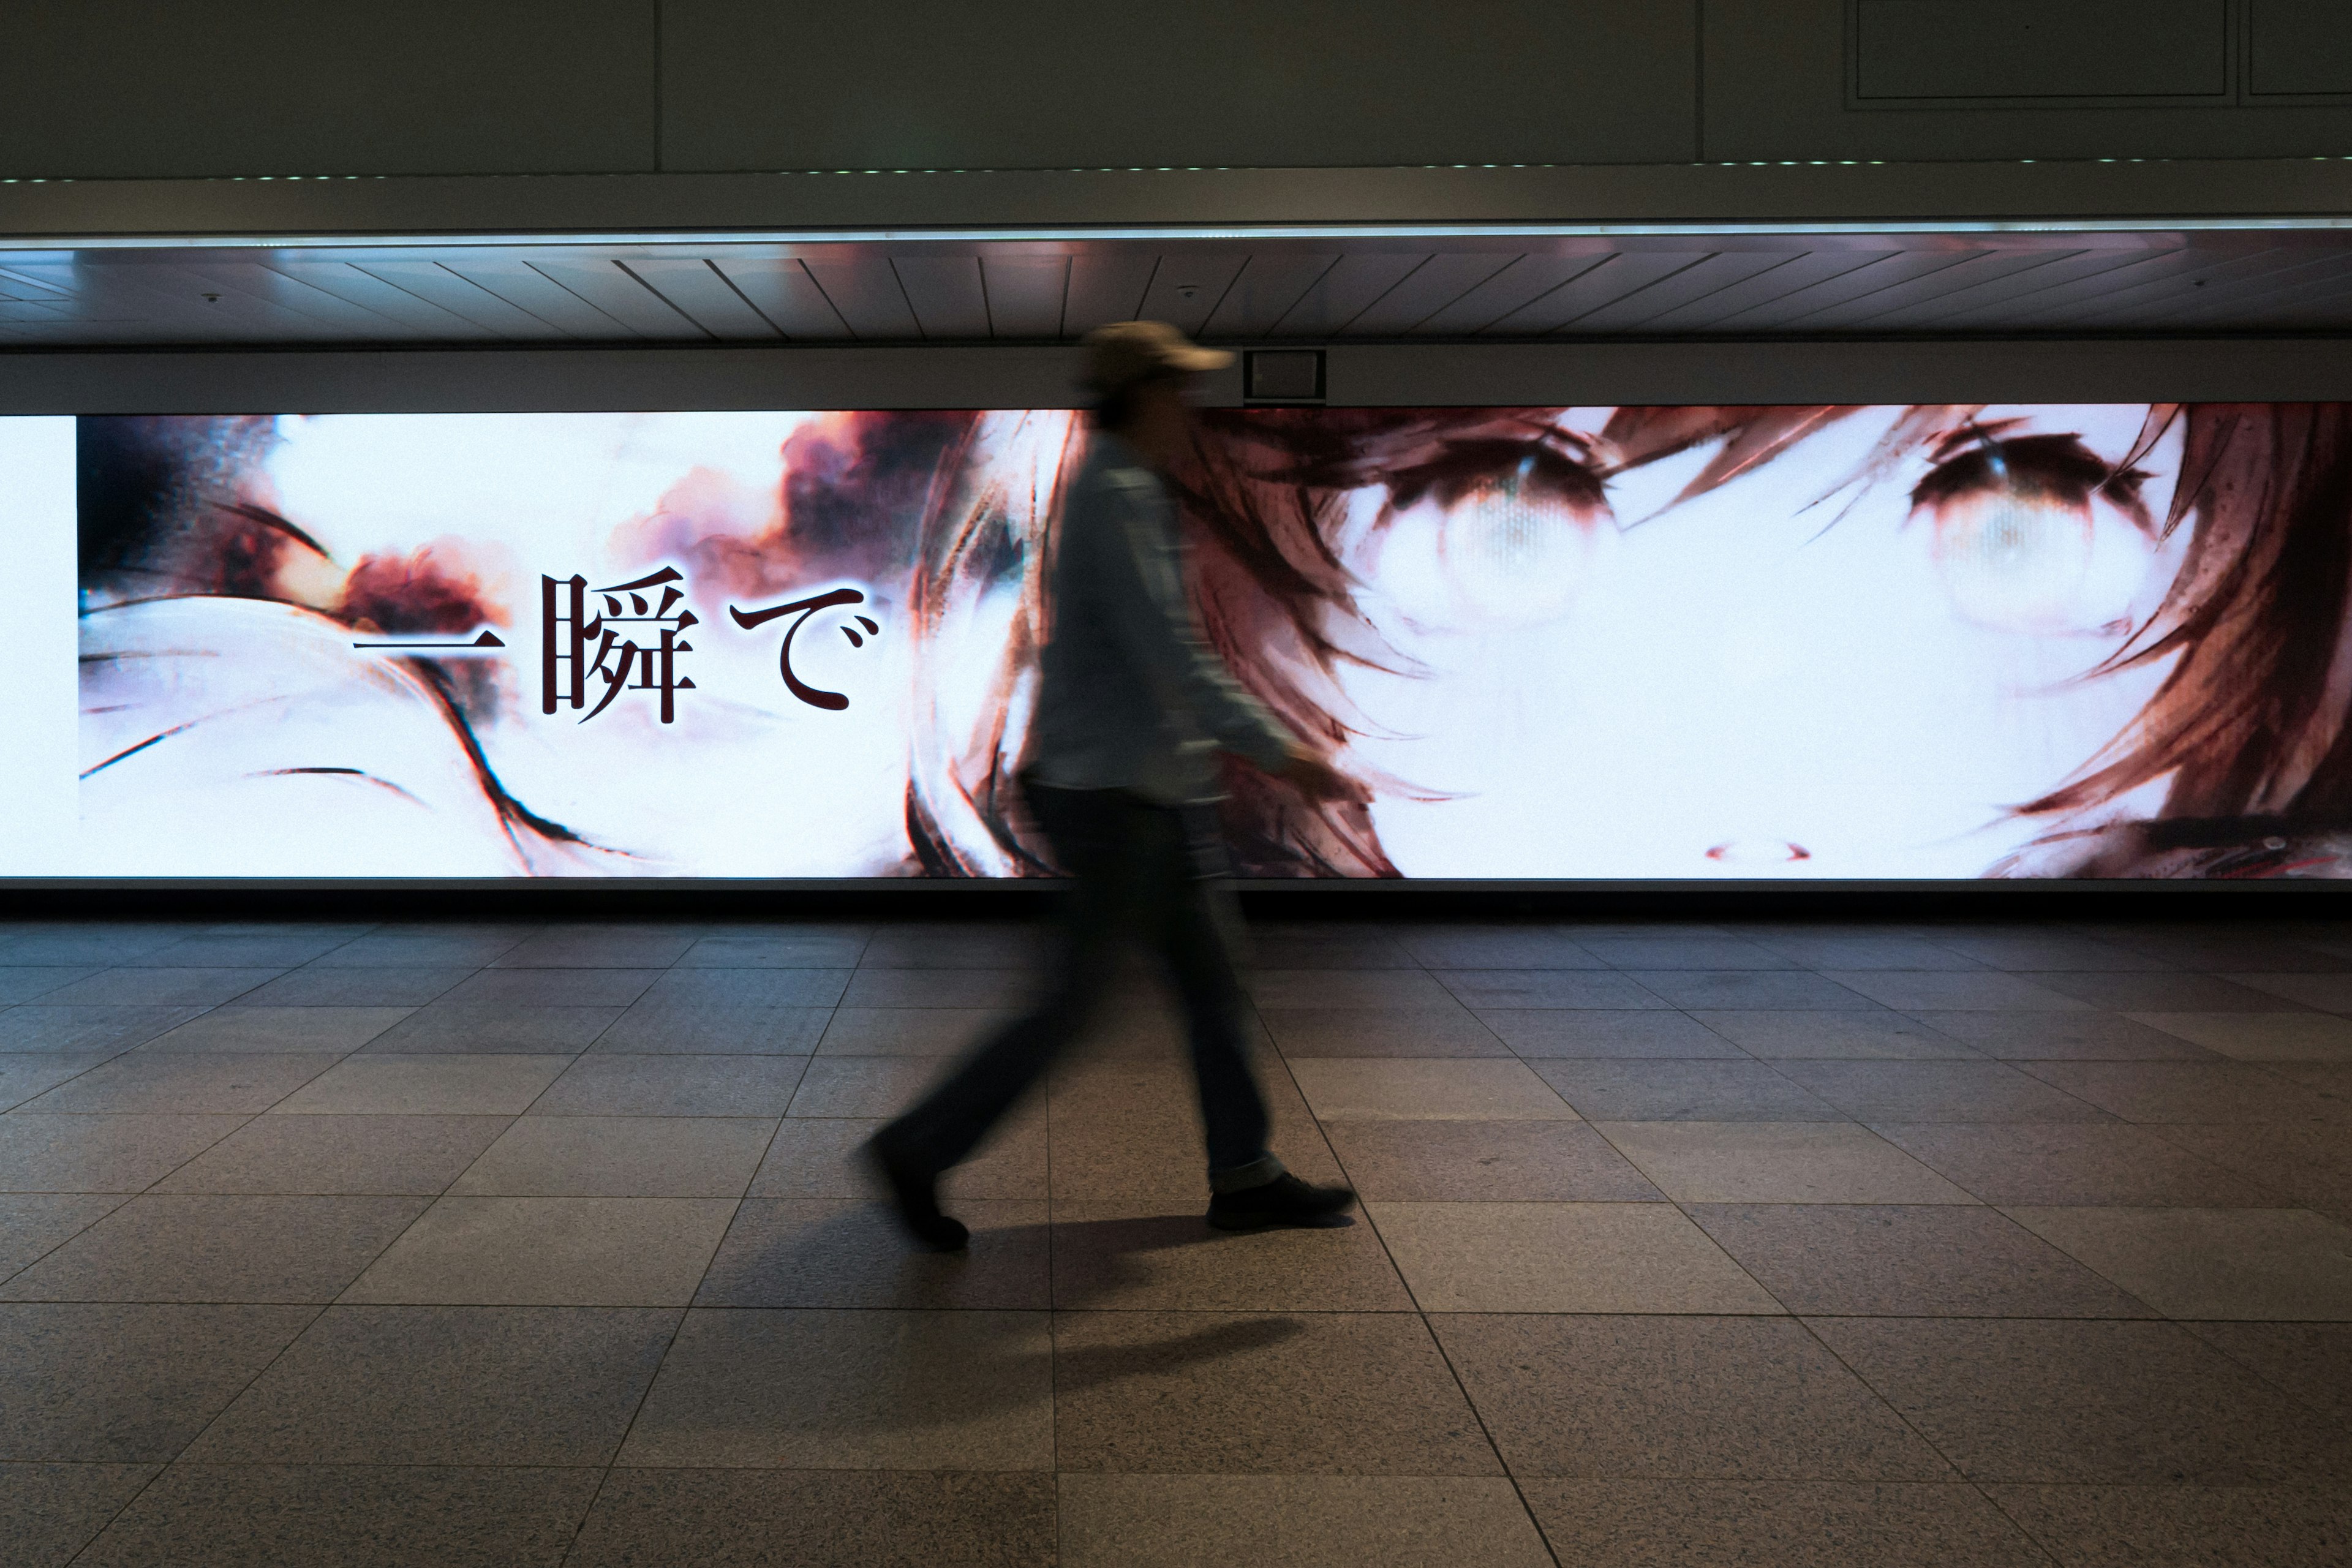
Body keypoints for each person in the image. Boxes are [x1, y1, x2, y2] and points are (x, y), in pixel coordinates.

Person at [865, 321, 1359, 1250]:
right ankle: (918, 1150)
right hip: (1119, 797)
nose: (1191, 409)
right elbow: (1167, 653)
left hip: (1153, 792)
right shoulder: (1119, 491)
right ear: (1143, 396)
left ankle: (1246, 1172)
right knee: (1075, 1003)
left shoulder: (1120, 485)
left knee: (1213, 982)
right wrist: (1278, 748)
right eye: (1179, 391)